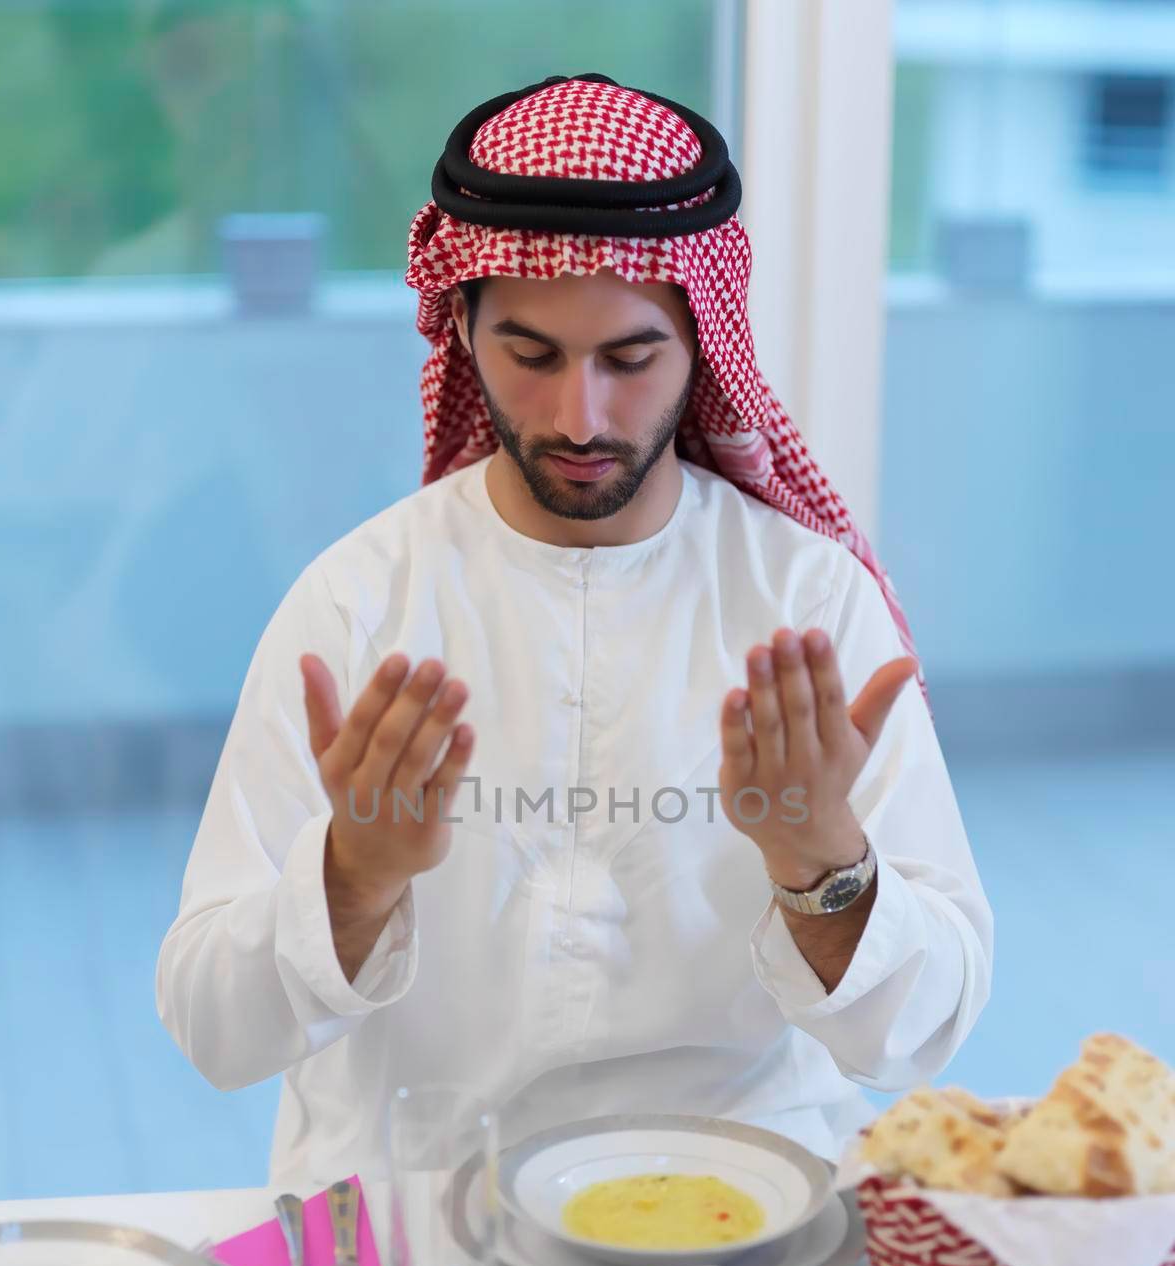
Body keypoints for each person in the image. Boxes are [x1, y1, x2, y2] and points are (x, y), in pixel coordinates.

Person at [156, 73, 992, 1190]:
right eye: (532, 355)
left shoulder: (807, 600)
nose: (578, 417)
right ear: (461, 325)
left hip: (746, 1221)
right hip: (420, 1232)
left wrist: (818, 861)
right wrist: (351, 881)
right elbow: (215, 1032)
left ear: (704, 339)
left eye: (630, 359)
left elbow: (922, 1036)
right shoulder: (359, 602)